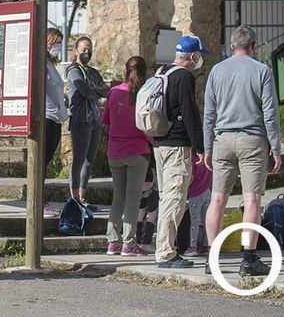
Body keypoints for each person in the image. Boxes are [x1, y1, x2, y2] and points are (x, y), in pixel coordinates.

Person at [203, 26, 282, 276]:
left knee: (217, 198)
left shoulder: (217, 70)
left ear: (232, 45)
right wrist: (276, 148)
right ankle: (249, 259)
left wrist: (207, 148)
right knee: (252, 199)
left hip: (222, 140)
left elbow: (209, 114)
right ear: (253, 46)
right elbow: (269, 113)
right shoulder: (262, 71)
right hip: (252, 139)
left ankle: (211, 258)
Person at [152, 35, 207, 269]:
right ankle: (165, 253)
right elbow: (190, 113)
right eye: (199, 56)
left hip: (160, 144)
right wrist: (201, 147)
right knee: (174, 200)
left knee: (167, 199)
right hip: (177, 147)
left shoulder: (161, 72)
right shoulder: (184, 76)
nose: (200, 60)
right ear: (192, 56)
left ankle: (166, 248)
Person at [102, 56, 151, 256]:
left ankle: (112, 242)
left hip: (115, 152)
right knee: (133, 199)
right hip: (138, 151)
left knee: (118, 198)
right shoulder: (143, 94)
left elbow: (106, 121)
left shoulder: (113, 93)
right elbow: (147, 125)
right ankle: (128, 244)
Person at [66, 36, 109, 203]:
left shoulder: (93, 72)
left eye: (89, 49)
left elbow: (106, 91)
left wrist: (95, 89)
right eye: (83, 49)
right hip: (80, 120)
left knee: (89, 161)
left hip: (95, 120)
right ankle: (74, 199)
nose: (87, 52)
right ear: (76, 50)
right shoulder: (73, 70)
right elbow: (86, 92)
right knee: (79, 159)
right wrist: (96, 90)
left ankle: (83, 198)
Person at [43, 28, 68, 217]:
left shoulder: (52, 65)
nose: (58, 47)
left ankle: (41, 200)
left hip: (56, 119)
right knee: (41, 162)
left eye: (60, 43)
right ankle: (39, 202)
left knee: (47, 160)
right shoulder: (42, 65)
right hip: (46, 118)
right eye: (55, 43)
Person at [185, 159, 211, 257]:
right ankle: (206, 245)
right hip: (207, 190)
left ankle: (193, 246)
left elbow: (191, 177)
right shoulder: (208, 158)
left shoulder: (193, 159)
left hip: (195, 192)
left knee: (194, 221)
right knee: (206, 220)